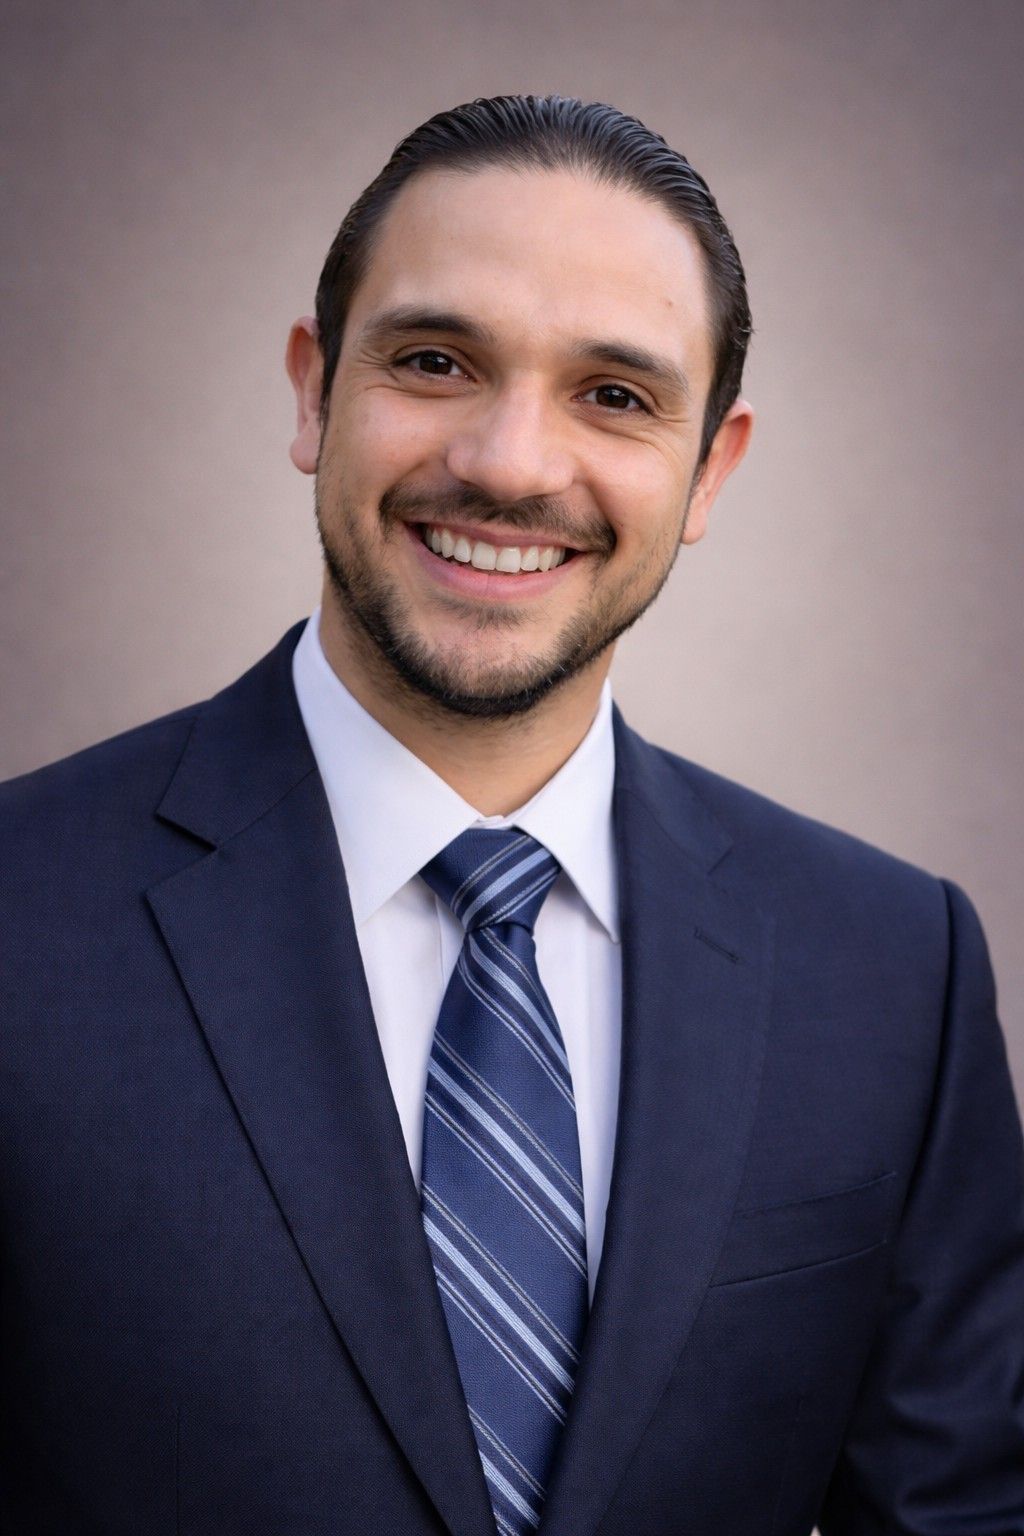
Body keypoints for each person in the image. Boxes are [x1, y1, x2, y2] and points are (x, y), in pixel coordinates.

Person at [1, 94, 1021, 1536]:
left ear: (710, 469)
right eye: (434, 360)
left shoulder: (892, 973)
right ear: (314, 393)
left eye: (614, 394)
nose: (510, 462)